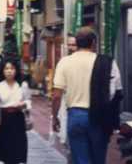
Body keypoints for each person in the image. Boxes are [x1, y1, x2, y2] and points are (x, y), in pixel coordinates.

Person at [52, 27, 123, 164]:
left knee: (80, 159)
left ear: (77, 43)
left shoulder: (65, 62)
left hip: (75, 116)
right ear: (93, 42)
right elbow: (116, 92)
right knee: (98, 159)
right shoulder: (107, 62)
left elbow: (56, 95)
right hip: (99, 116)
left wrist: (55, 118)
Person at [0, 59, 31, 164]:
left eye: (12, 68)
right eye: (6, 69)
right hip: (4, 120)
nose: (9, 71)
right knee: (5, 151)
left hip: (18, 119)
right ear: (2, 71)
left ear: (16, 70)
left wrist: (24, 104)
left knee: (16, 150)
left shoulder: (22, 85)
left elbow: (28, 100)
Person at [58, 34, 78, 144]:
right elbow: (58, 90)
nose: (71, 47)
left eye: (73, 45)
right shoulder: (64, 61)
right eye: (69, 45)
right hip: (67, 101)